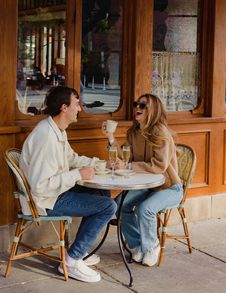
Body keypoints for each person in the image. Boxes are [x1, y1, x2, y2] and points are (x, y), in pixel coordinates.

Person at [19, 86, 117, 282]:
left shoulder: (57, 130)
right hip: (45, 201)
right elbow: (41, 186)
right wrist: (77, 174)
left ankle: (78, 252)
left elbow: (72, 158)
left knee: (102, 193)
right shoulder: (45, 136)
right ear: (64, 107)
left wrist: (101, 164)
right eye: (77, 104)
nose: (80, 108)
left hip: (56, 193)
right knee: (108, 207)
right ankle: (72, 261)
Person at [102, 93, 183, 267]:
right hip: (148, 187)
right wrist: (110, 136)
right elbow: (124, 158)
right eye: (136, 104)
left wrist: (129, 167)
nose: (137, 108)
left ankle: (151, 246)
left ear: (152, 110)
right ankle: (136, 245)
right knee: (119, 205)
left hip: (170, 188)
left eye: (142, 105)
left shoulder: (162, 134)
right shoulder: (134, 132)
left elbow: (159, 166)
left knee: (144, 209)